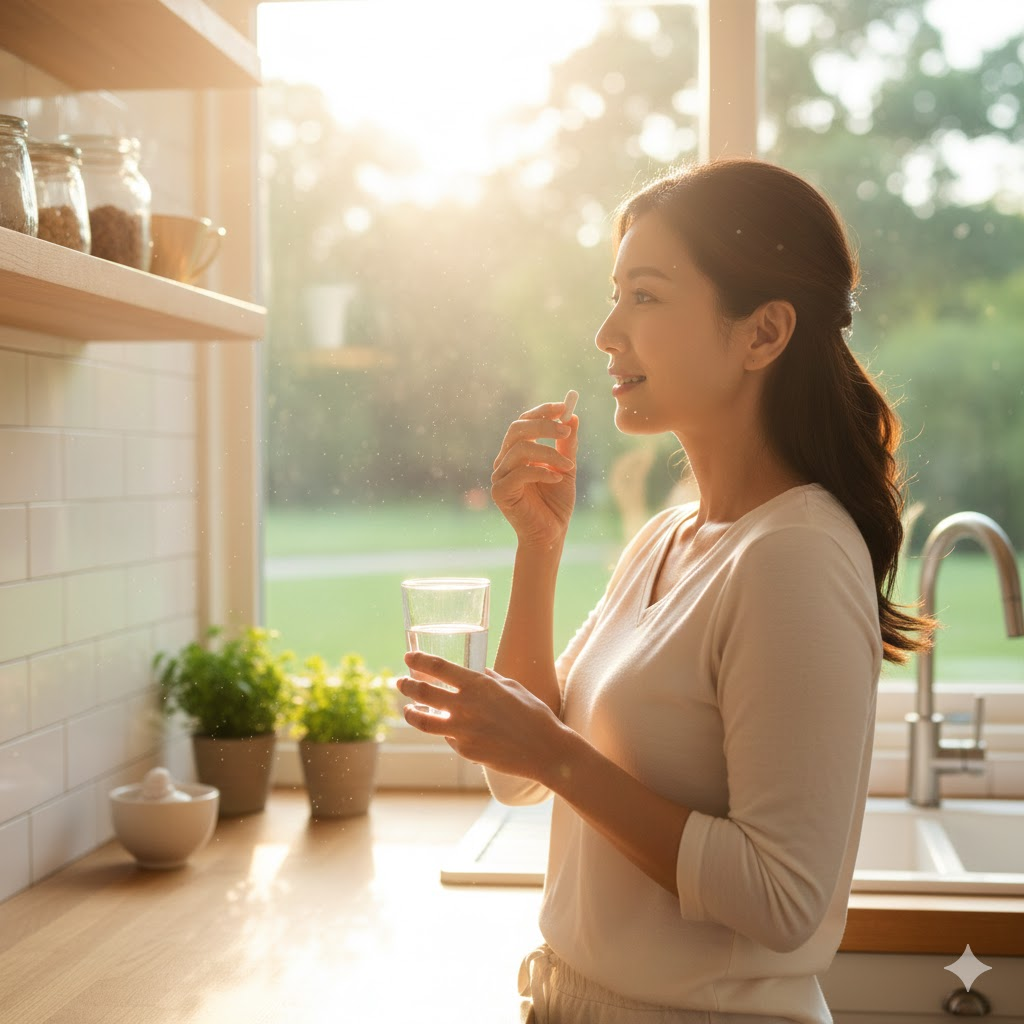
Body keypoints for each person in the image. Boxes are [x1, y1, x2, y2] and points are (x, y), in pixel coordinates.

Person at [396, 158, 934, 1024]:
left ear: (762, 334)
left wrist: (553, 755)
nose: (608, 332)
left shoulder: (794, 555)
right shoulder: (668, 538)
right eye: (616, 295)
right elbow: (518, 781)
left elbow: (782, 899)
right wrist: (539, 548)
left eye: (644, 297)